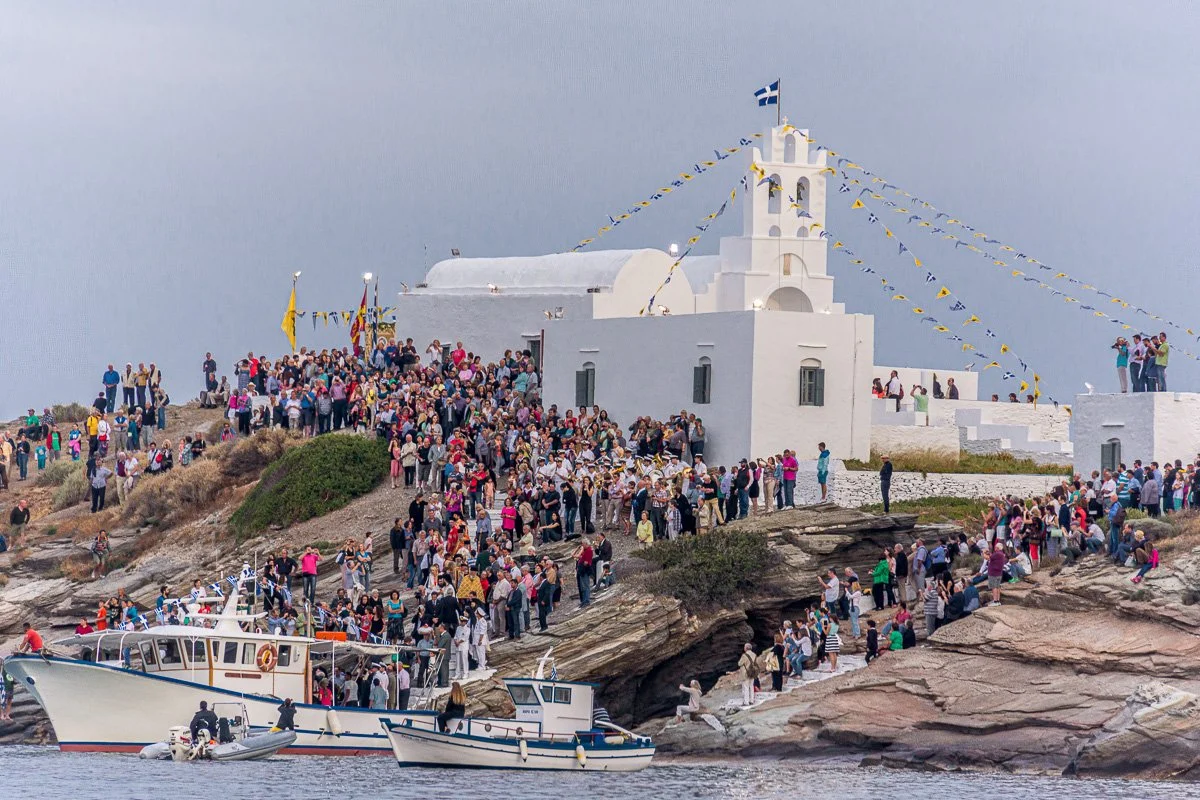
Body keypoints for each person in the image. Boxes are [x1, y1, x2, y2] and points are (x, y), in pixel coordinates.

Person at [987, 542, 1006, 606]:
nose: (994, 548)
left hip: (993, 573)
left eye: (995, 547)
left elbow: (988, 557)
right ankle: (997, 600)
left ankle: (995, 601)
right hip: (999, 573)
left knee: (994, 587)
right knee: (997, 587)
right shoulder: (1002, 554)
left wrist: (984, 553)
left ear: (997, 548)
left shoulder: (997, 554)